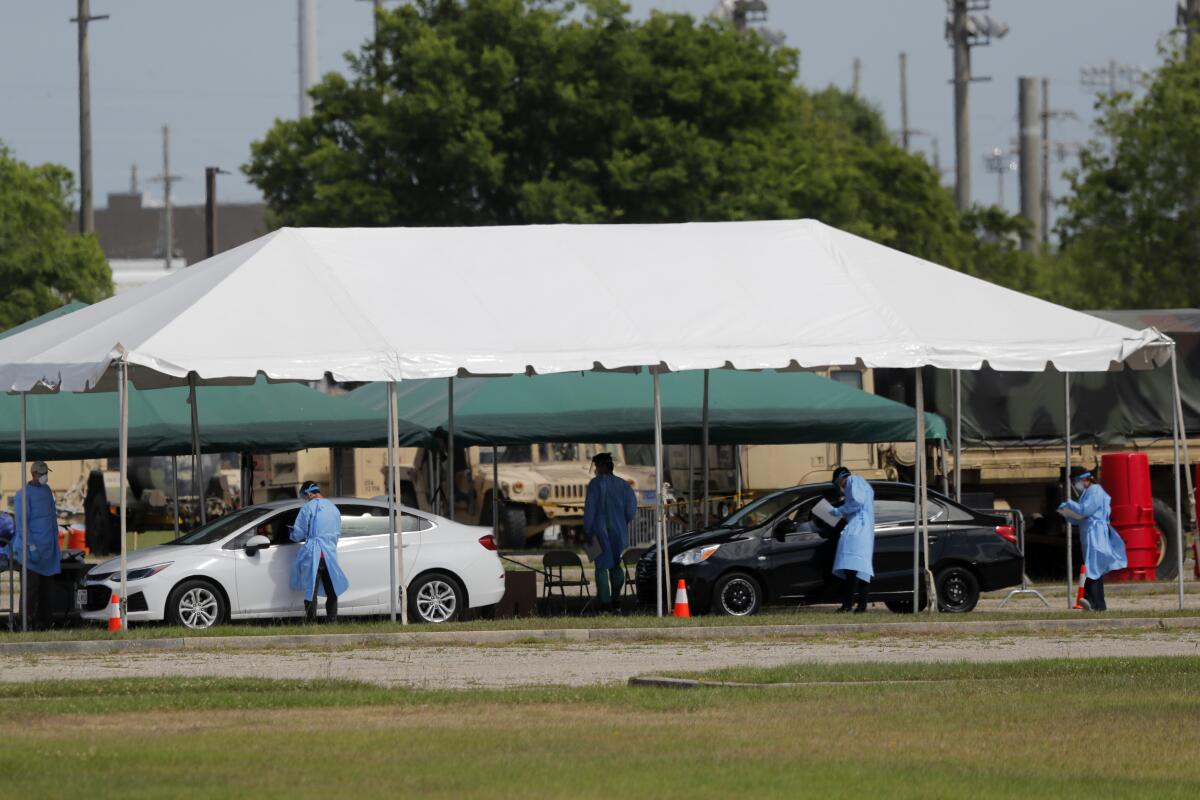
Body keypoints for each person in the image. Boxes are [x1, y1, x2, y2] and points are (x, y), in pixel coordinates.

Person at [1059, 467, 1127, 611]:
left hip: (1096, 534)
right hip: (1089, 533)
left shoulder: (1095, 490)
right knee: (1093, 567)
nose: (1075, 485)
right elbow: (1081, 517)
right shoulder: (1086, 493)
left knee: (1094, 567)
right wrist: (1068, 514)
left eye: (1076, 481)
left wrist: (1070, 504)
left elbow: (1086, 510)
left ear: (1085, 479)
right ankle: (1096, 603)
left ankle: (1093, 602)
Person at [583, 452, 637, 613]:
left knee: (600, 568)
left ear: (603, 466)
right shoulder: (624, 485)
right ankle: (616, 600)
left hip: (597, 531)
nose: (596, 470)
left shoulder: (594, 484)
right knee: (616, 566)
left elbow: (590, 510)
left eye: (597, 466)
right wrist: (621, 522)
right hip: (618, 532)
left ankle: (605, 603)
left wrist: (587, 530)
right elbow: (631, 510)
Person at [289, 481, 349, 622]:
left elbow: (298, 533)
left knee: (311, 590)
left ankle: (311, 622)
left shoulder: (307, 508)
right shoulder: (334, 508)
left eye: (304, 496)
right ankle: (332, 620)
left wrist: (291, 534)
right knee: (332, 590)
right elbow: (336, 531)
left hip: (314, 554)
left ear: (309, 494)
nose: (305, 499)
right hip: (330, 554)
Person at [12, 461, 61, 630]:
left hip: (48, 551)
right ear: (33, 474)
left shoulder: (47, 491)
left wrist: (56, 543)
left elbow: (52, 518)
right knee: (30, 590)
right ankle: (24, 624)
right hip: (30, 551)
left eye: (46, 473)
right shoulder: (23, 495)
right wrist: (31, 546)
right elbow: (22, 524)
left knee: (47, 591)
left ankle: (45, 624)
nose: (45, 476)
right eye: (42, 473)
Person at [828, 466, 875, 613]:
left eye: (838, 484)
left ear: (841, 478)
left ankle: (847, 605)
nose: (840, 488)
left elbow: (857, 501)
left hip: (857, 530)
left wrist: (839, 510)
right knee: (862, 570)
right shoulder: (864, 484)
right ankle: (861, 606)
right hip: (865, 530)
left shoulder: (852, 481)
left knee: (851, 570)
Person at [84, 469, 112, 556]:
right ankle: (99, 550)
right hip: (98, 525)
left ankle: (97, 550)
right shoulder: (100, 496)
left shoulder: (93, 495)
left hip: (96, 525)